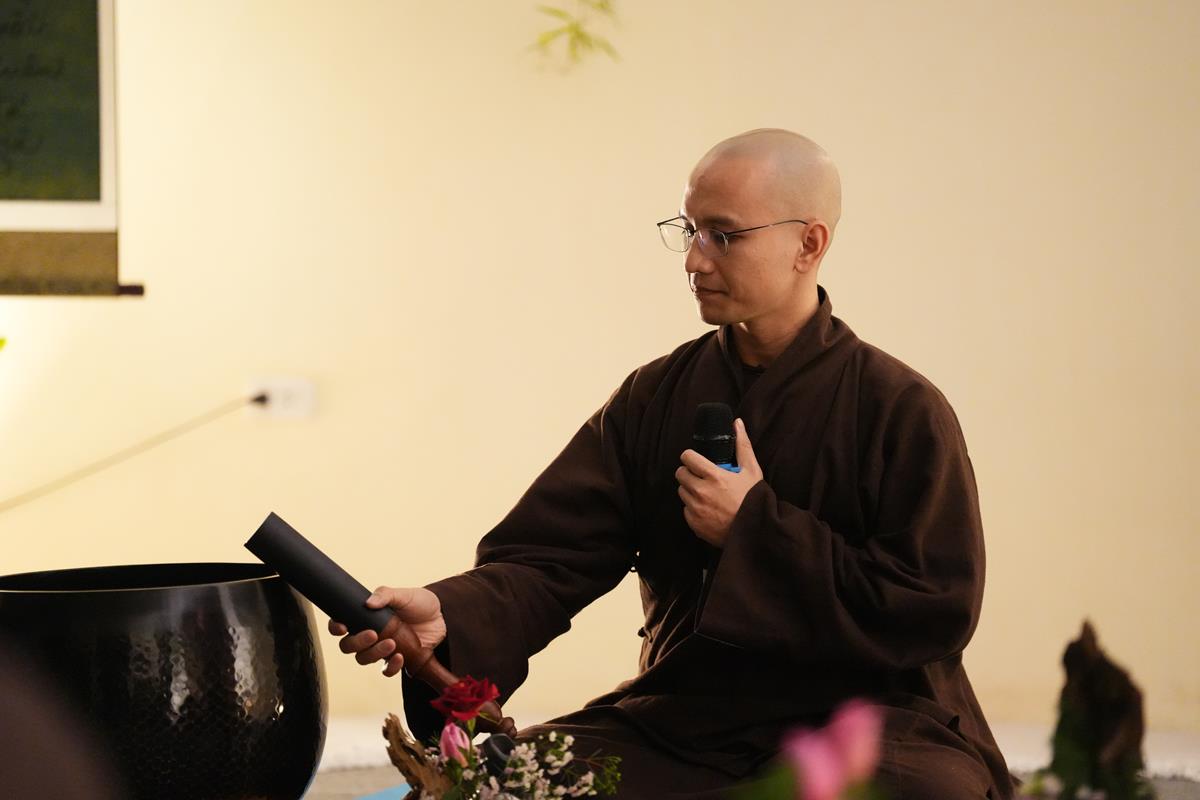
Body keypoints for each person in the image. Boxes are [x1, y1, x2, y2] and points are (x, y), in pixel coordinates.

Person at [331, 129, 1015, 798]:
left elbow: (933, 607)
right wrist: (450, 613)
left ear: (809, 244)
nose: (694, 260)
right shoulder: (655, 397)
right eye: (689, 231)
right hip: (688, 717)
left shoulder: (900, 407)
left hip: (873, 721)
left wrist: (755, 529)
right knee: (495, 781)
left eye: (723, 235)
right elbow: (551, 556)